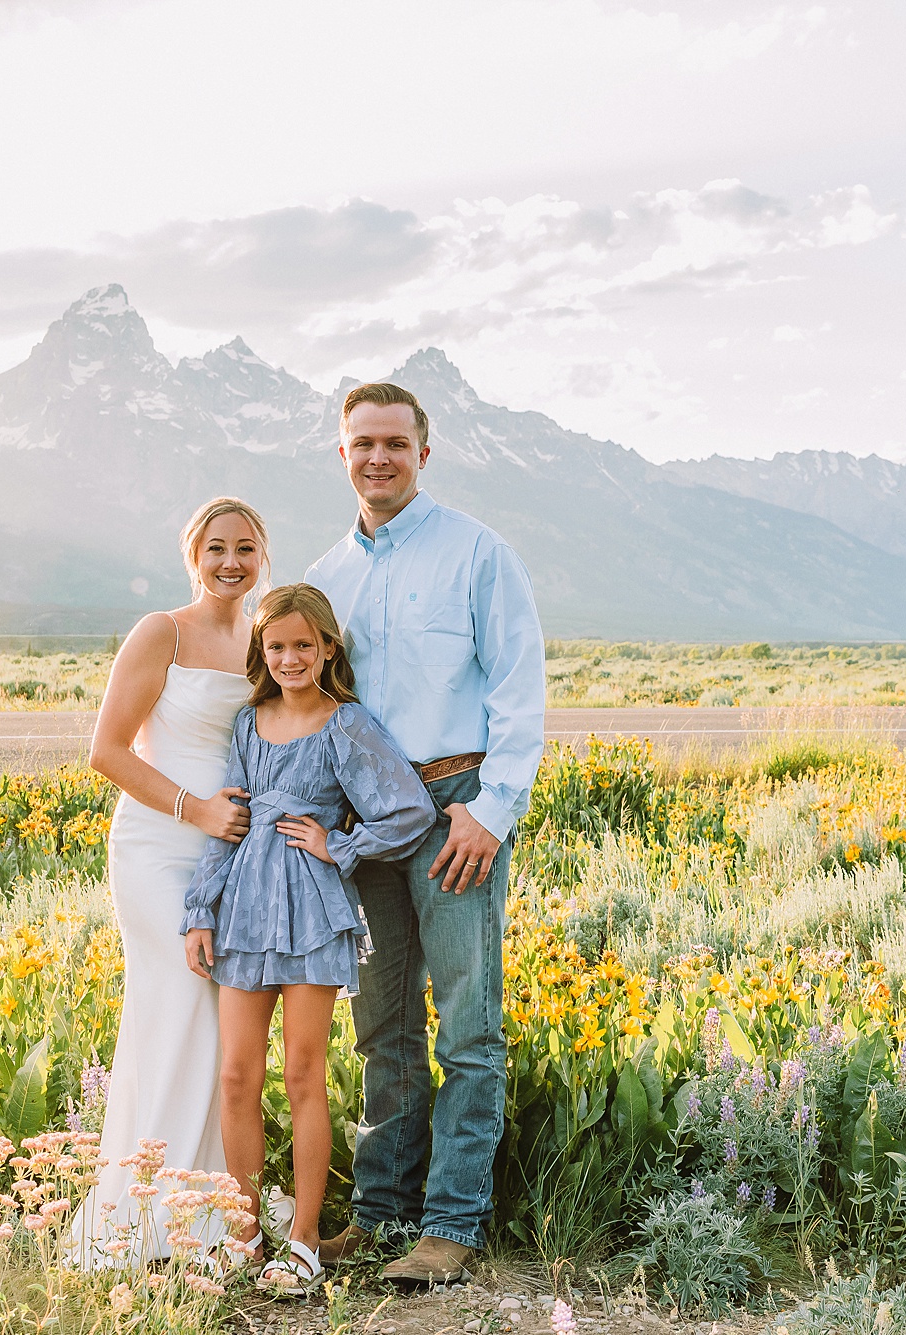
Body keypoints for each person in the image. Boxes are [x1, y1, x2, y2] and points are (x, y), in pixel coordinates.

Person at [304, 382, 546, 1287]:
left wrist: (492, 809)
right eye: (362, 443)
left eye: (395, 443)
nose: (378, 458)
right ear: (341, 454)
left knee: (468, 1028)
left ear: (423, 452)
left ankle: (451, 1226)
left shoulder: (479, 553)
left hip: (456, 807)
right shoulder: (326, 577)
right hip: (368, 815)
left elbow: (519, 688)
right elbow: (314, 703)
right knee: (384, 1026)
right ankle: (379, 1216)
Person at [180, 584, 436, 1293]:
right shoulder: (248, 722)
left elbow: (410, 808)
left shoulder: (345, 724)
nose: (290, 657)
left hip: (313, 911)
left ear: (327, 647)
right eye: (277, 646)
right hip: (243, 913)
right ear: (261, 652)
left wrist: (341, 845)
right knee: (236, 1074)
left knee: (302, 1073)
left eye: (303, 644)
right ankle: (243, 1233)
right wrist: (201, 907)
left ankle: (304, 1241)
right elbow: (229, 820)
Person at [78, 497, 266, 1264]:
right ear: (194, 555)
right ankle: (144, 1206)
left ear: (263, 558)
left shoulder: (264, 642)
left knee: (225, 1020)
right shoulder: (163, 631)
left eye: (245, 548)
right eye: (216, 547)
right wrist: (195, 809)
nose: (230, 561)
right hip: (160, 845)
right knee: (180, 997)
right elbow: (108, 750)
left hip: (234, 853)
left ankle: (210, 1207)